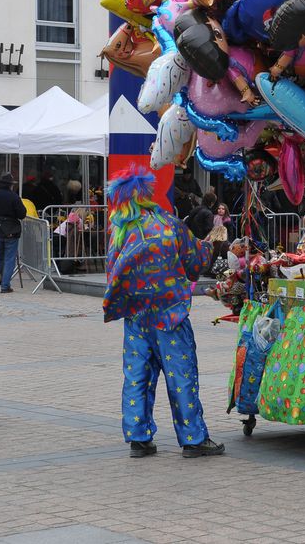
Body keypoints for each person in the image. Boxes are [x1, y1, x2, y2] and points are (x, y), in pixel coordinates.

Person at [103, 167, 224, 459]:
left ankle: (138, 437)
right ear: (146, 194)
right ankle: (193, 438)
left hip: (137, 316)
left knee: (137, 376)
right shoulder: (168, 224)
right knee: (181, 374)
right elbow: (196, 261)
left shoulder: (120, 233)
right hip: (170, 313)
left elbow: (112, 272)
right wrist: (212, 245)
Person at [0, 172, 27, 293]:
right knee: (9, 258)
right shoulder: (13, 197)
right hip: (10, 230)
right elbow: (22, 214)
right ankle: (5, 286)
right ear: (10, 185)